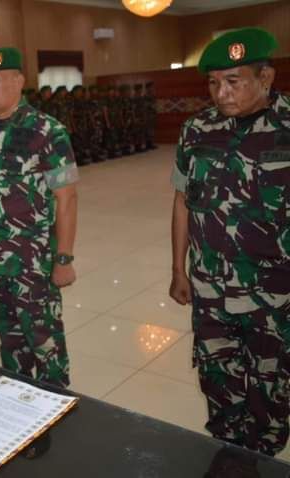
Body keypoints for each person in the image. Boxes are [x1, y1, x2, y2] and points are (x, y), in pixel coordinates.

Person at [169, 27, 290, 457]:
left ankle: (266, 455)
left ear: (266, 78)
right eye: (213, 82)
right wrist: (177, 269)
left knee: (271, 386)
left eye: (233, 81)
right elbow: (183, 202)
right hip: (211, 289)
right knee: (217, 380)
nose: (221, 93)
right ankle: (228, 453)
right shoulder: (196, 130)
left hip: (275, 295)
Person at [0, 47, 79, 387]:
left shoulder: (48, 131)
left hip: (34, 264)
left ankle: (57, 408)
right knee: (9, 341)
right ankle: (17, 401)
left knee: (45, 344)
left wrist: (63, 258)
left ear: (18, 82)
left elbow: (67, 199)